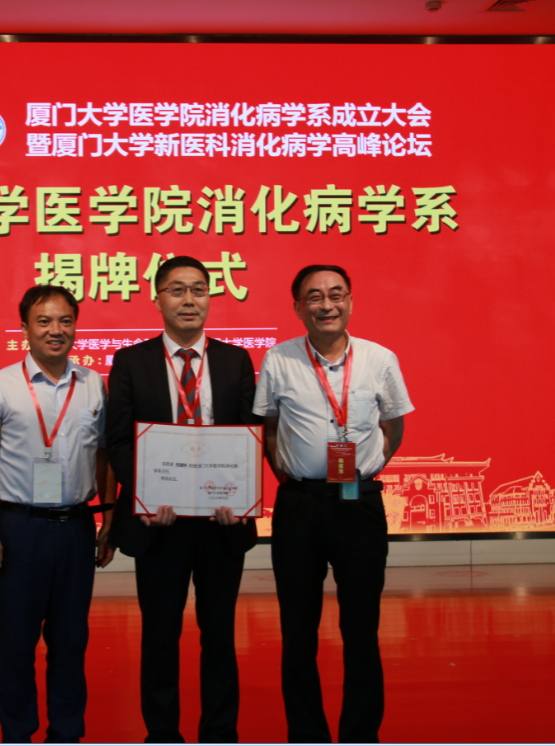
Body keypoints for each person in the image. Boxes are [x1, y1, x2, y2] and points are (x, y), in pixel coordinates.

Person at [253, 265, 413, 744]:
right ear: (298, 307)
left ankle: (361, 735)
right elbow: (269, 429)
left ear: (350, 301)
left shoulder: (379, 359)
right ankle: (306, 735)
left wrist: (368, 467)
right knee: (297, 630)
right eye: (315, 297)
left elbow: (393, 427)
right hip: (299, 505)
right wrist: (290, 475)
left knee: (361, 628)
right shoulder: (279, 359)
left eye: (336, 294)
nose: (327, 305)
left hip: (358, 504)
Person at [106, 255, 258, 744]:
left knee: (221, 636)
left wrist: (240, 496)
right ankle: (162, 735)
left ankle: (220, 734)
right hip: (159, 525)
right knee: (159, 637)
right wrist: (147, 496)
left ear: (210, 298)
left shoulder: (236, 361)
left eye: (198, 289)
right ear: (158, 299)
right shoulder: (131, 362)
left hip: (221, 522)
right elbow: (118, 441)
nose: (189, 300)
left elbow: (249, 436)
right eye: (177, 290)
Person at [0, 284, 113, 743]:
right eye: (44, 321)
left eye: (65, 321)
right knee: (15, 644)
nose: (56, 330)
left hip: (76, 527)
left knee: (70, 643)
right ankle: (17, 735)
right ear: (25, 328)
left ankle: (66, 735)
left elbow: (103, 455)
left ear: (76, 326)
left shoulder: (93, 384)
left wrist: (108, 519)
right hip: (18, 529)